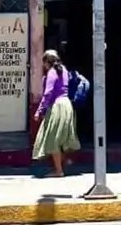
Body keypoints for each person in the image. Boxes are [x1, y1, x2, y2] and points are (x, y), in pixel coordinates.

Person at [32, 49, 80, 178]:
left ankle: (58, 170)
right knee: (62, 139)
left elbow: (48, 94)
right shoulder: (63, 70)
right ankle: (61, 166)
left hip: (57, 107)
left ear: (47, 62)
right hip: (67, 105)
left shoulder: (52, 73)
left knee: (53, 139)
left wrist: (39, 111)